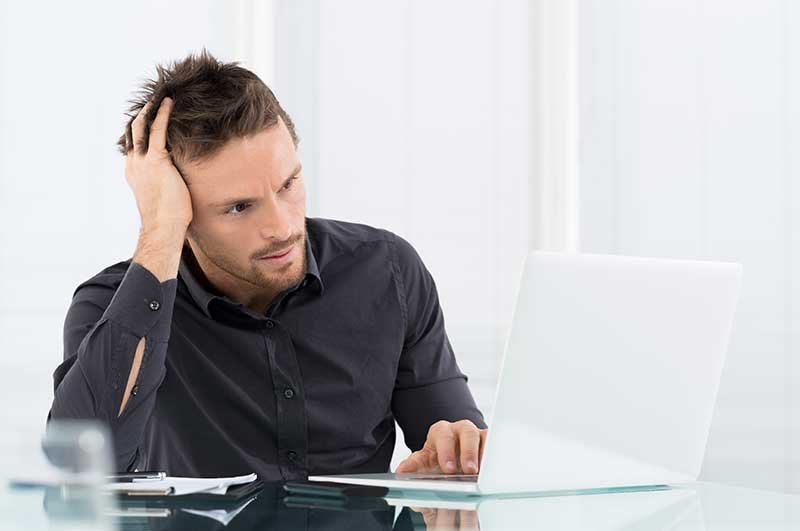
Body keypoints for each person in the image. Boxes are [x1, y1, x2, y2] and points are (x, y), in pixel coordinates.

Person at [48, 49, 487, 480]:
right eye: (239, 207)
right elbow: (85, 465)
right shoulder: (109, 308)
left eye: (288, 183)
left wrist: (455, 457)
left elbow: (453, 444)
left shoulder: (387, 269)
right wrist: (161, 232)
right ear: (181, 210)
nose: (281, 227)